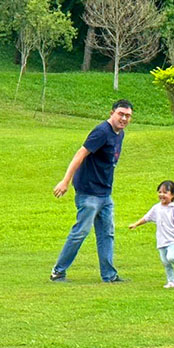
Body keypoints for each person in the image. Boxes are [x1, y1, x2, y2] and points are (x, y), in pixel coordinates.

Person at [50, 99, 133, 282]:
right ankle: (58, 271)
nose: (124, 118)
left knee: (107, 234)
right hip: (88, 193)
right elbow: (80, 154)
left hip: (104, 193)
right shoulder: (101, 132)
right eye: (121, 114)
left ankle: (109, 275)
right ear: (111, 113)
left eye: (128, 116)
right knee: (80, 232)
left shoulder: (119, 134)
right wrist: (65, 181)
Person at [129, 180, 174, 289]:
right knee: (165, 262)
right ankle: (171, 282)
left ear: (172, 195)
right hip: (162, 240)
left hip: (173, 239)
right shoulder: (156, 208)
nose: (161, 195)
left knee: (171, 257)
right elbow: (147, 218)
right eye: (160, 192)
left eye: (165, 192)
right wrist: (136, 224)